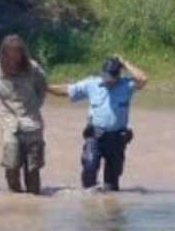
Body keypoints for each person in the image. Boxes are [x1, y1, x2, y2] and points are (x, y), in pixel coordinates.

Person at [47, 56, 148, 191]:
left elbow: (143, 79)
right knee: (89, 167)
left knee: (112, 185)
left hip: (117, 139)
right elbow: (67, 90)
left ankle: (109, 206)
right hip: (95, 136)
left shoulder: (127, 85)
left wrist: (124, 62)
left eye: (112, 76)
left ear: (118, 74)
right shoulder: (91, 84)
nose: (108, 79)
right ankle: (89, 204)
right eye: (106, 75)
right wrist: (45, 87)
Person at [0, 34, 48, 195]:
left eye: (17, 56)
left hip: (33, 123)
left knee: (33, 169)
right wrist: (3, 113)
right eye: (10, 56)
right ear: (3, 54)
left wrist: (35, 107)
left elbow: (43, 88)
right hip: (9, 123)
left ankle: (33, 203)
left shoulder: (32, 68)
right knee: (11, 165)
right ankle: (15, 200)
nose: (14, 60)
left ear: (22, 54)